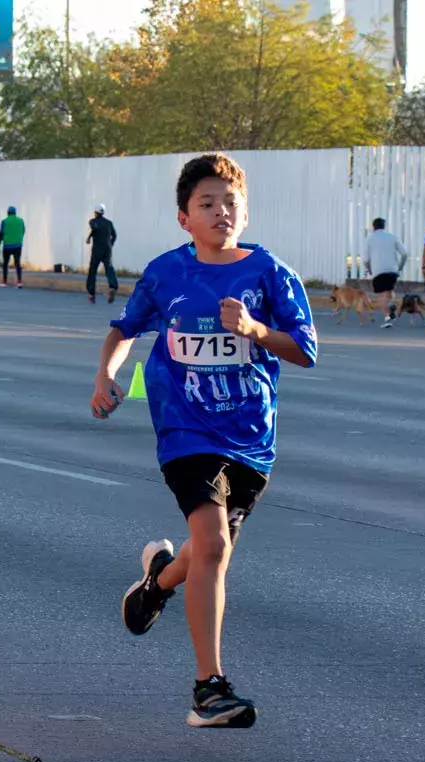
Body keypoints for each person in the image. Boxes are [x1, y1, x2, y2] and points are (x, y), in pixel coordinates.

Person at [93, 153, 316, 728]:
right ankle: (208, 689)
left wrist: (256, 330)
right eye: (206, 204)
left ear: (245, 211)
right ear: (183, 218)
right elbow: (125, 328)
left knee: (207, 550)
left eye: (230, 202)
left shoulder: (271, 274)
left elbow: (306, 349)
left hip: (250, 437)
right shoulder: (167, 272)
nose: (221, 212)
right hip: (185, 429)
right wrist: (107, 374)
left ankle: (156, 584)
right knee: (214, 543)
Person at [364, 217, 408, 327]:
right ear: (384, 226)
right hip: (392, 269)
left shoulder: (370, 239)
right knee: (389, 291)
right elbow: (404, 254)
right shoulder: (392, 237)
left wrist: (368, 269)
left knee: (380, 295)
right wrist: (400, 266)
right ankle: (391, 303)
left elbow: (365, 259)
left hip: (378, 270)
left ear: (373, 227)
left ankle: (387, 317)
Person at [86, 203, 119, 303]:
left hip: (97, 249)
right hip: (107, 249)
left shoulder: (92, 221)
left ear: (95, 212)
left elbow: (94, 228)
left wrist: (89, 237)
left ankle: (91, 293)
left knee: (92, 271)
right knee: (109, 268)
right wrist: (110, 244)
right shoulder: (109, 223)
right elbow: (114, 235)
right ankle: (113, 286)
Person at [0, 206, 25, 288]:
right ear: (15, 213)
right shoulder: (21, 221)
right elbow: (23, 231)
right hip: (18, 245)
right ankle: (19, 282)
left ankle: (4, 282)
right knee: (17, 263)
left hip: (7, 246)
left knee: (5, 264)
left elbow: (1, 234)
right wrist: (19, 239)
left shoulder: (4, 221)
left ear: (8, 213)